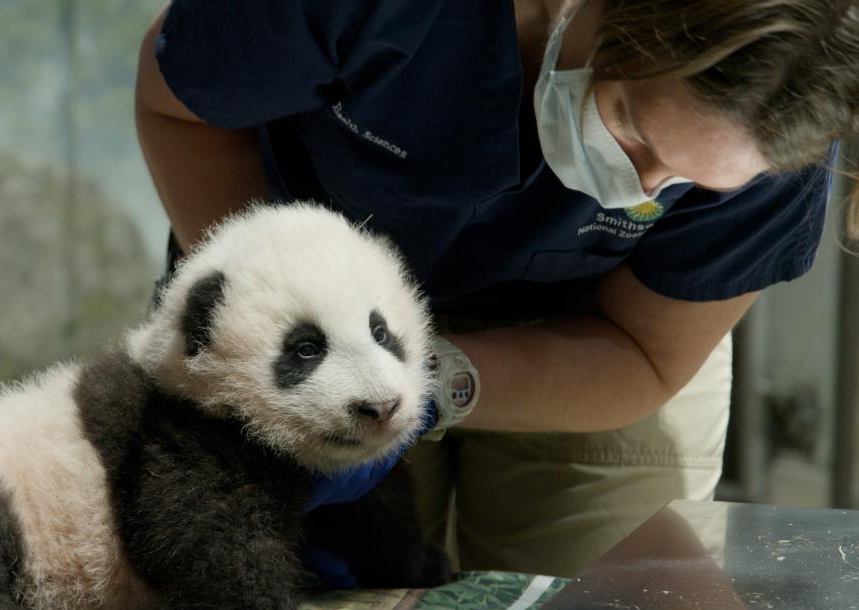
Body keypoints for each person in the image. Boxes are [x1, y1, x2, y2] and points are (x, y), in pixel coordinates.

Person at [135, 0, 859, 578]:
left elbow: (645, 354)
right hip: (314, 310)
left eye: (691, 183)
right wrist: (277, 320)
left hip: (588, 342)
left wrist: (433, 382)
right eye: (633, 128)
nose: (643, 190)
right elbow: (181, 103)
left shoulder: (782, 145)